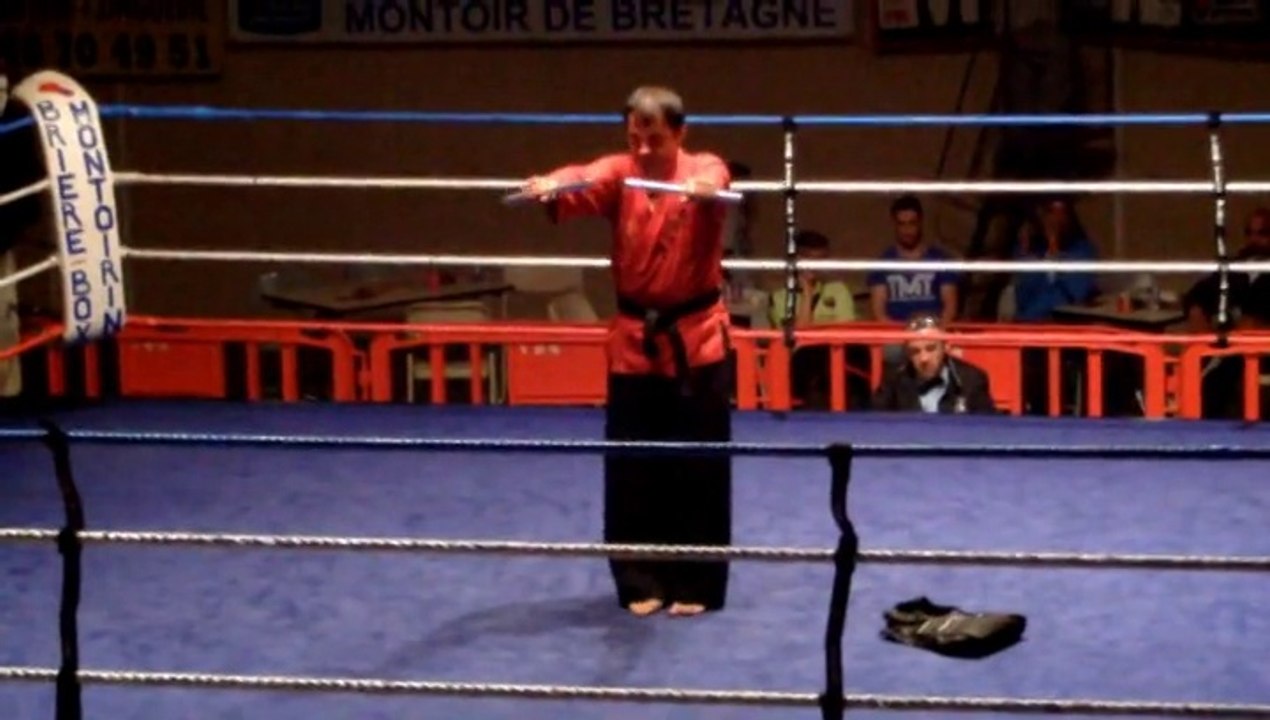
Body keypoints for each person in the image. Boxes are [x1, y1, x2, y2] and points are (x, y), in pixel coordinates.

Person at [520, 86, 733, 618]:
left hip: (697, 340)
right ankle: (640, 578)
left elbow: (717, 176)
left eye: (653, 138)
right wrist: (551, 185)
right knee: (633, 467)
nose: (640, 149)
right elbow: (585, 175)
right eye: (634, 137)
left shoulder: (701, 166)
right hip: (635, 342)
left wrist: (703, 189)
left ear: (679, 134)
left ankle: (697, 583)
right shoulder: (622, 171)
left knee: (699, 469)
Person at [872, 314, 997, 414]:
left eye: (931, 348)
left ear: (946, 346)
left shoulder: (972, 379)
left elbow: (988, 428)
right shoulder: (893, 379)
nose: (924, 358)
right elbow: (873, 424)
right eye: (915, 351)